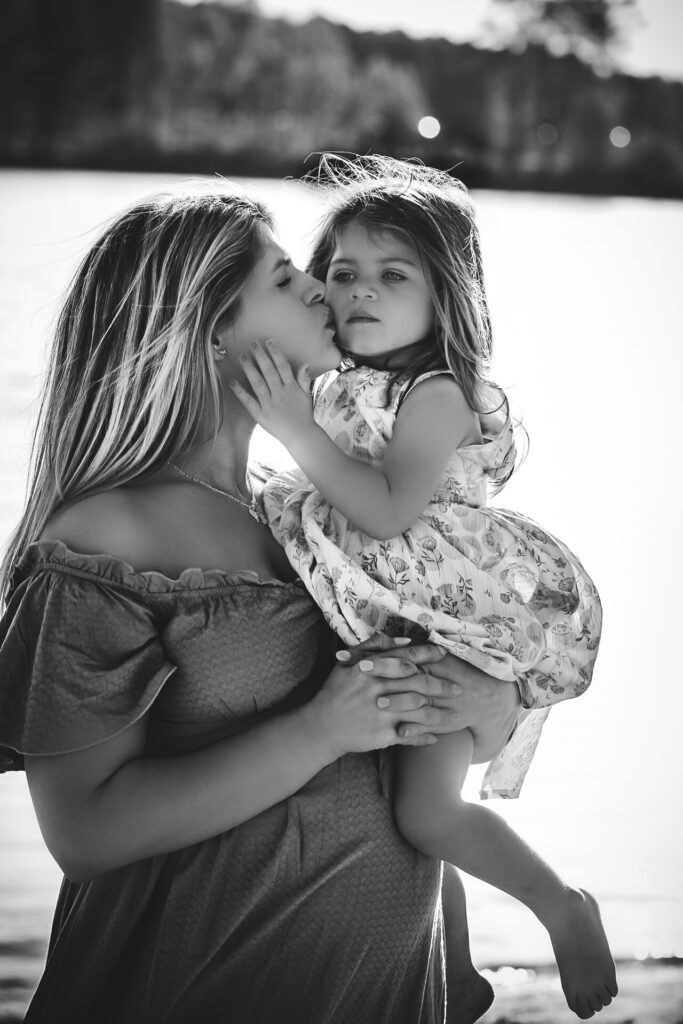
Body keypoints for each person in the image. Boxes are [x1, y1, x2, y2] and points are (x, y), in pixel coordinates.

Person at [0, 181, 523, 1024]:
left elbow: (426, 716)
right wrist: (318, 730)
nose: (324, 287)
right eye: (285, 281)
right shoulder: (106, 542)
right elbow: (86, 834)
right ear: (210, 332)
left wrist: (488, 703)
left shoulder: (311, 514)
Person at [231, 155, 618, 1020]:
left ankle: (562, 906)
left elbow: (387, 510)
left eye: (392, 275)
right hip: (391, 618)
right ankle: (455, 970)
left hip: (445, 627)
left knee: (426, 817)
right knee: (399, 809)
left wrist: (293, 429)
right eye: (341, 273)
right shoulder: (342, 382)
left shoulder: (434, 391)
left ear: (443, 297)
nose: (359, 291)